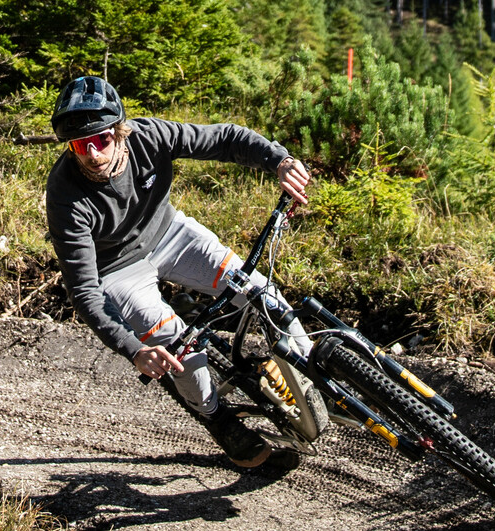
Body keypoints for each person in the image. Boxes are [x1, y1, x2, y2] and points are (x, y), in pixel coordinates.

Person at [44, 76, 314, 469]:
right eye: (79, 145)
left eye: (100, 139)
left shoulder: (149, 136)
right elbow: (84, 291)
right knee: (175, 346)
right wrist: (134, 350)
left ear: (120, 131)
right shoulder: (65, 195)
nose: (93, 154)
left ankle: (310, 371)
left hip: (170, 233)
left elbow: (222, 138)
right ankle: (216, 416)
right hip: (117, 270)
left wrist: (279, 160)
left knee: (260, 294)